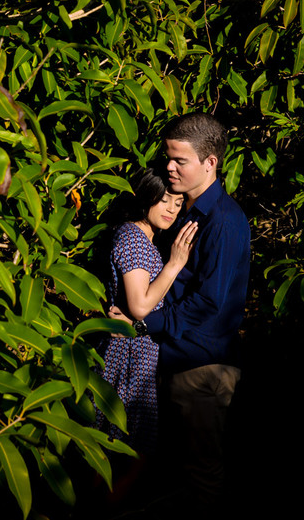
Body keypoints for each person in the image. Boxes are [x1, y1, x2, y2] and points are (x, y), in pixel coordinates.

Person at [112, 112, 251, 509]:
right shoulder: (183, 212)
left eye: (180, 160)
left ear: (210, 163)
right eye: (168, 158)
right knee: (164, 472)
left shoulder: (223, 221)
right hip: (176, 359)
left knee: (201, 476)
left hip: (200, 367)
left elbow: (211, 303)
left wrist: (145, 321)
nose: (169, 167)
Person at [98, 166, 198, 455]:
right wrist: (175, 264)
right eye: (165, 199)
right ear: (147, 196)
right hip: (128, 354)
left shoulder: (142, 239)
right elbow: (140, 306)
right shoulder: (134, 238)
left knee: (127, 444)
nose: (172, 209)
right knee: (123, 446)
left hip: (136, 351)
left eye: (178, 203)